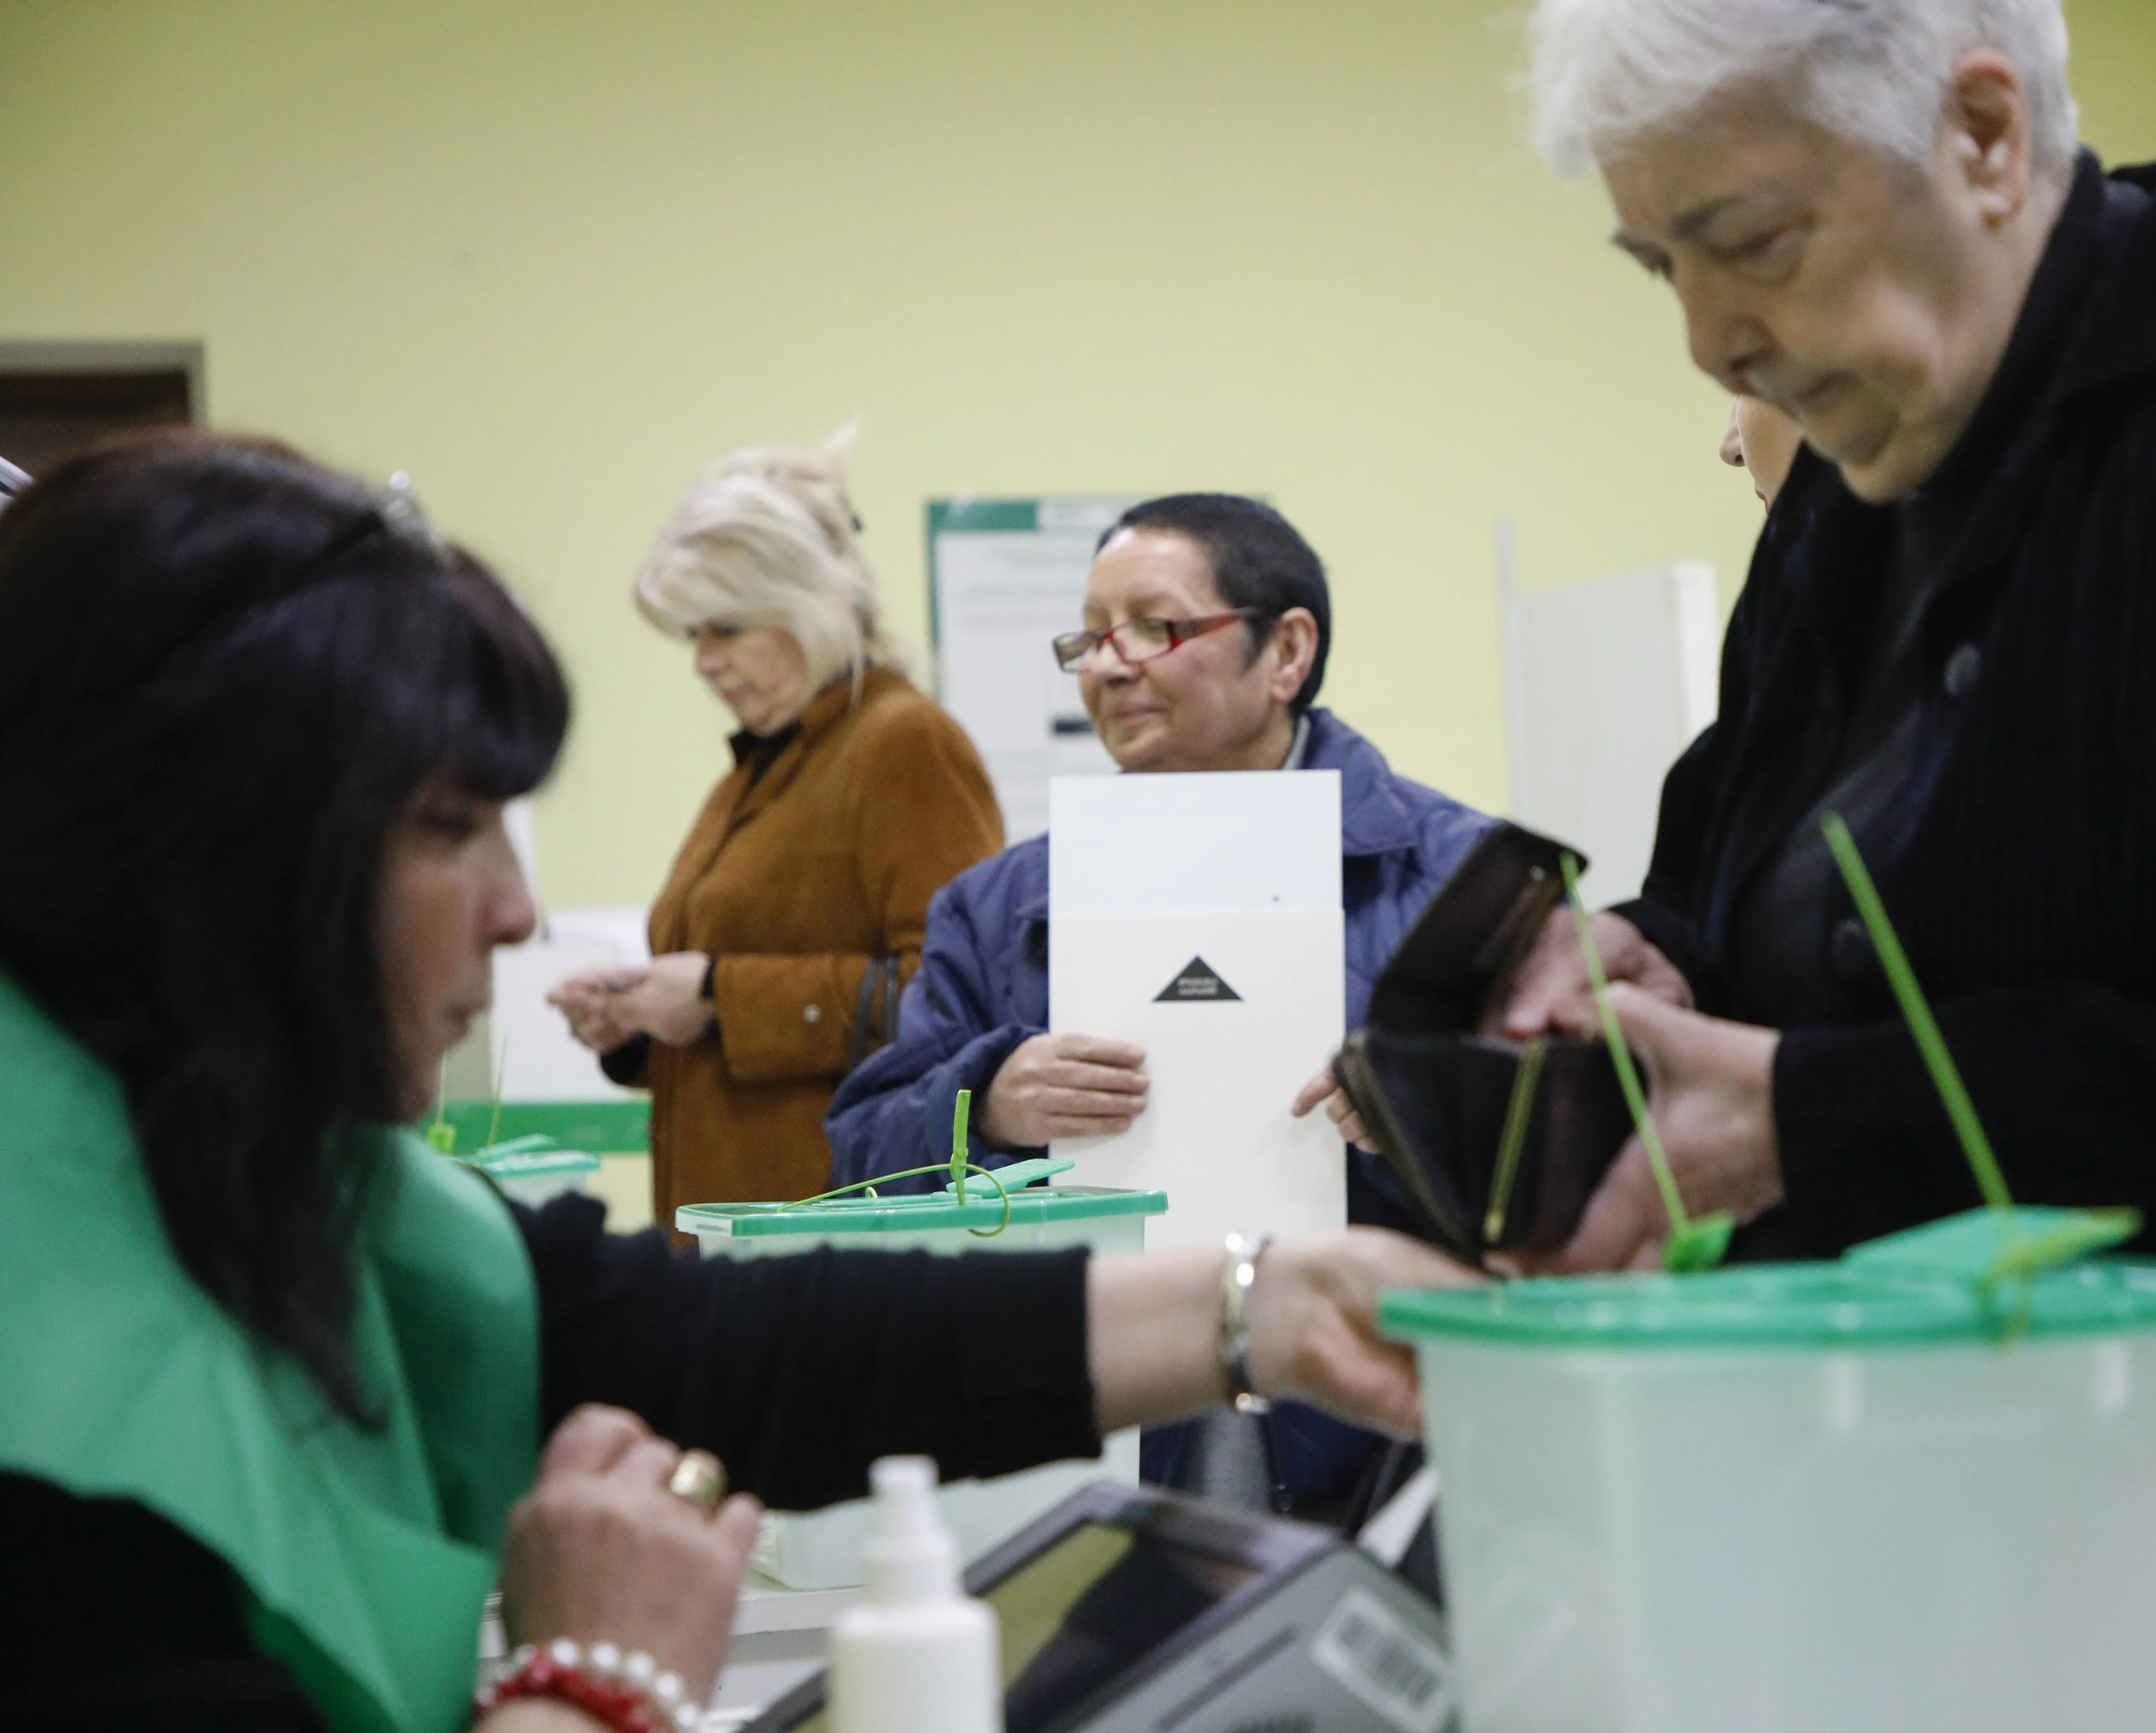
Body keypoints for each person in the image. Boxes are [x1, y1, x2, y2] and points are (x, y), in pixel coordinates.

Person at [0, 432, 1475, 1733]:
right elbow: (862, 1142)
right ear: (209, 857)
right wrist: (592, 1682)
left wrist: (1262, 1308)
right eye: (446, 825)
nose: (517, 910)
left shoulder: (277, 1172)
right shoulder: (64, 1443)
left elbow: (713, 1340)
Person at [1501, 1, 2156, 1725]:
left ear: (1982, 139)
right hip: (1885, 1563)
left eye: (1748, 244)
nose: (1706, 342)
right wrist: (1649, 960)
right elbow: (1737, 884)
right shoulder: (1842, 496)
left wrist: (1805, 1117)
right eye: (1654, 269)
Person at [825, 492, 1491, 1517]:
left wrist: (1431, 1115)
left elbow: (1587, 1170)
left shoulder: (1459, 879)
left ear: (1286, 652)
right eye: (1090, 637)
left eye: (1154, 628)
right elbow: (860, 1162)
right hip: (1087, 1429)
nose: (1107, 665)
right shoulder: (996, 908)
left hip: (1398, 1432)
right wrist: (986, 1102)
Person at [550, 436, 1004, 1226]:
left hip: (838, 1232)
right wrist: (640, 1023)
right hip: (731, 1233)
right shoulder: (756, 771)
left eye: (725, 630)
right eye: (692, 636)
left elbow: (958, 1001)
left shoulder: (903, 743)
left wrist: (718, 996)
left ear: (809, 606)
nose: (703, 663)